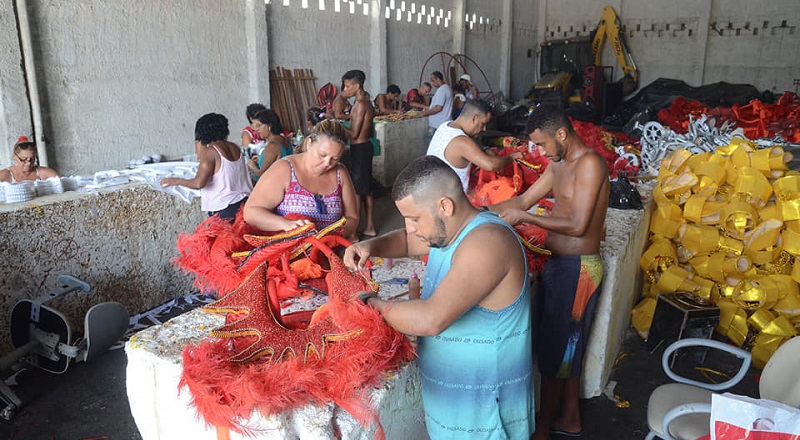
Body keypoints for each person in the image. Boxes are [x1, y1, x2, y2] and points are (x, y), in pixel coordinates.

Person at [343, 155, 534, 440]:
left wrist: (371, 304)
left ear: (445, 205)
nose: (410, 227)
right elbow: (407, 241)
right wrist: (369, 245)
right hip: (459, 414)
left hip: (486, 417)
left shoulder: (487, 242)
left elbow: (432, 319)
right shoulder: (448, 231)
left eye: (414, 218)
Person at [490, 103, 610, 440]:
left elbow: (577, 224)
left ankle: (543, 429)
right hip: (562, 266)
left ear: (562, 133)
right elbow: (524, 200)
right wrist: (477, 211)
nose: (539, 151)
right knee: (565, 347)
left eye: (542, 144)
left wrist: (525, 219)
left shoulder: (590, 164)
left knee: (559, 351)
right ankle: (570, 418)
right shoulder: (557, 164)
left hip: (580, 269)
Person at [243, 118, 359, 239]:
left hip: (330, 250)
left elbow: (353, 218)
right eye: (322, 155)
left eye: (335, 158)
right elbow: (251, 212)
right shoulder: (285, 169)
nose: (327, 163)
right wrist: (286, 224)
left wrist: (331, 237)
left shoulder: (340, 173)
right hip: (289, 253)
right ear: (309, 144)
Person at [160, 113, 253, 221]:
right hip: (244, 202)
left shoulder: (211, 152)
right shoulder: (235, 147)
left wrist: (176, 181)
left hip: (225, 208)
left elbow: (199, 183)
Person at [427, 99, 521, 194]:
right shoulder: (461, 141)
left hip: (433, 190)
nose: (484, 129)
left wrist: (485, 149)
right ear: (474, 118)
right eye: (483, 124)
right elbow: (490, 165)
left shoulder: (445, 126)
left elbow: (473, 146)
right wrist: (511, 158)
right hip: (448, 199)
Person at [340, 69, 377, 237]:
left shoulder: (359, 105)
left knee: (356, 191)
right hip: (365, 146)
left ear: (356, 86)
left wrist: (338, 125)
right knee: (367, 189)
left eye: (348, 86)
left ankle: (353, 233)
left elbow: (354, 134)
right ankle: (370, 226)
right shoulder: (368, 103)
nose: (346, 89)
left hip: (359, 149)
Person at [246, 109, 292, 179]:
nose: (257, 130)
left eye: (259, 125)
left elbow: (263, 175)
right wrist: (261, 158)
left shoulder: (272, 145)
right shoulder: (284, 139)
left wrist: (253, 166)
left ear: (269, 126)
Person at [419, 71, 453, 138]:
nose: (432, 83)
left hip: (437, 125)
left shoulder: (442, 90)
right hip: (444, 122)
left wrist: (424, 113)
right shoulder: (447, 88)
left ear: (438, 79)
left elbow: (438, 108)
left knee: (434, 146)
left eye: (433, 81)